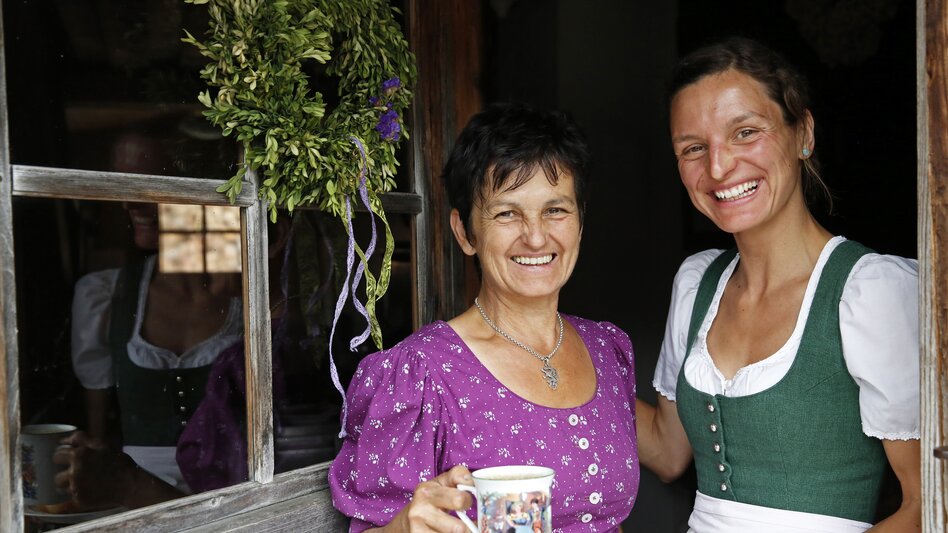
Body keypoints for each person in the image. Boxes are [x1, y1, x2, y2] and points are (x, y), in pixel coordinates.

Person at [635, 36, 921, 532]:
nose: (718, 167)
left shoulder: (869, 293)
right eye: (694, 148)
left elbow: (927, 503)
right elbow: (667, 451)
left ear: (803, 133)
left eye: (745, 132)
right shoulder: (697, 285)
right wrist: (554, 354)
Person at [329, 102, 640, 532]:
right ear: (465, 232)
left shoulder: (607, 351)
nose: (536, 237)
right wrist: (402, 528)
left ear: (580, 221)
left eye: (555, 210)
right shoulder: (421, 375)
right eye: (507, 213)